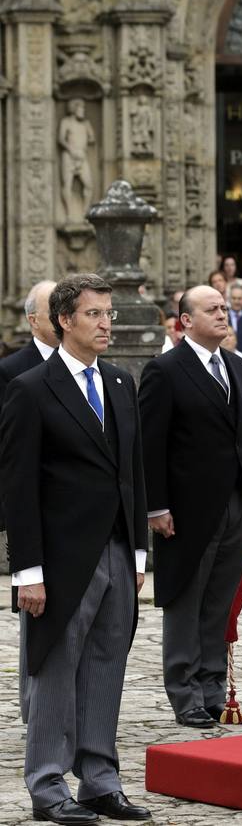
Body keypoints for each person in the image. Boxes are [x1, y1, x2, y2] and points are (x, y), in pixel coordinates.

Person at [0, 273, 151, 823]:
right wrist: (27, 572)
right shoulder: (31, 389)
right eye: (94, 314)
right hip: (60, 560)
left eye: (109, 314)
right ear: (64, 320)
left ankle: (99, 780)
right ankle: (46, 785)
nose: (107, 324)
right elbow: (18, 488)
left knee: (107, 667)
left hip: (117, 551)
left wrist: (138, 554)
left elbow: (132, 472)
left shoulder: (120, 382)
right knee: (54, 672)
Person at [139, 285, 242, 728]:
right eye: (212, 309)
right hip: (186, 509)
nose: (222, 314)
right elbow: (150, 444)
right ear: (185, 321)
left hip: (237, 502)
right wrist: (156, 506)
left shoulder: (238, 366)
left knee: (221, 604)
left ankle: (213, 692)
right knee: (186, 601)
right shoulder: (165, 370)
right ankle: (185, 693)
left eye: (224, 308)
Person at [0, 280, 59, 726]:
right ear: (33, 319)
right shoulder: (12, 371)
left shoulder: (96, 370)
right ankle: (34, 706)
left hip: (79, 508)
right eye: (52, 308)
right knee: (35, 611)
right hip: (34, 506)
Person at [0, 280, 59, 408]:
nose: (63, 318)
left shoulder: (84, 361)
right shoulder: (8, 370)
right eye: (55, 311)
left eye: (67, 311)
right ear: (33, 320)